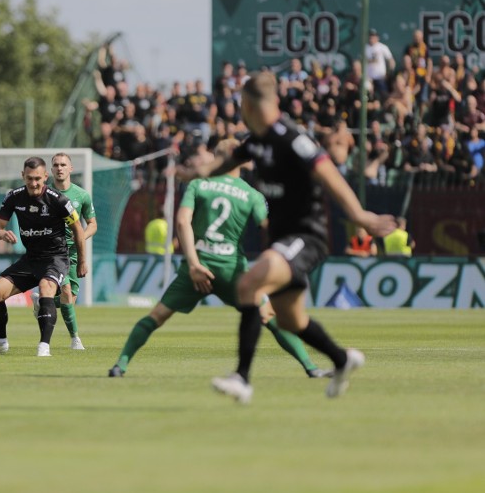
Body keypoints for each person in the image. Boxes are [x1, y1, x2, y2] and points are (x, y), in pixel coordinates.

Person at [180, 71, 395, 404]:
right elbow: (229, 161)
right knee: (291, 320)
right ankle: (342, 359)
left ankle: (242, 378)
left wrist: (359, 216)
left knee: (250, 284)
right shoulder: (256, 140)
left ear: (247, 104)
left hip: (306, 236)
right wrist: (198, 172)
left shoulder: (291, 137)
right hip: (283, 237)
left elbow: (327, 172)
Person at [109, 139, 330, 379]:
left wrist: (194, 265)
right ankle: (311, 368)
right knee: (268, 316)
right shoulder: (252, 195)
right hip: (232, 270)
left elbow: (182, 222)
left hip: (196, 268)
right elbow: (269, 227)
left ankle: (120, 365)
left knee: (157, 316)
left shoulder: (199, 185)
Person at [0, 157, 86, 357]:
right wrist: (3, 234)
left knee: (45, 289)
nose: (33, 184)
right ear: (22, 176)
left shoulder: (58, 200)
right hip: (31, 259)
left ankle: (44, 346)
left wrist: (82, 261)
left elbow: (78, 229)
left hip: (55, 258)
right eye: (29, 178)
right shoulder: (14, 197)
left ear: (45, 177)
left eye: (38, 179)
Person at [31, 153, 97, 350]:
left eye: (63, 165)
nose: (59, 168)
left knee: (70, 300)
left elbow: (92, 224)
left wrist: (80, 239)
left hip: (74, 252)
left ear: (71, 169)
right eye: (56, 165)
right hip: (53, 252)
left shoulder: (82, 195)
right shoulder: (44, 195)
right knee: (66, 291)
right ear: (51, 171)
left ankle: (42, 302)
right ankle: (75, 339)